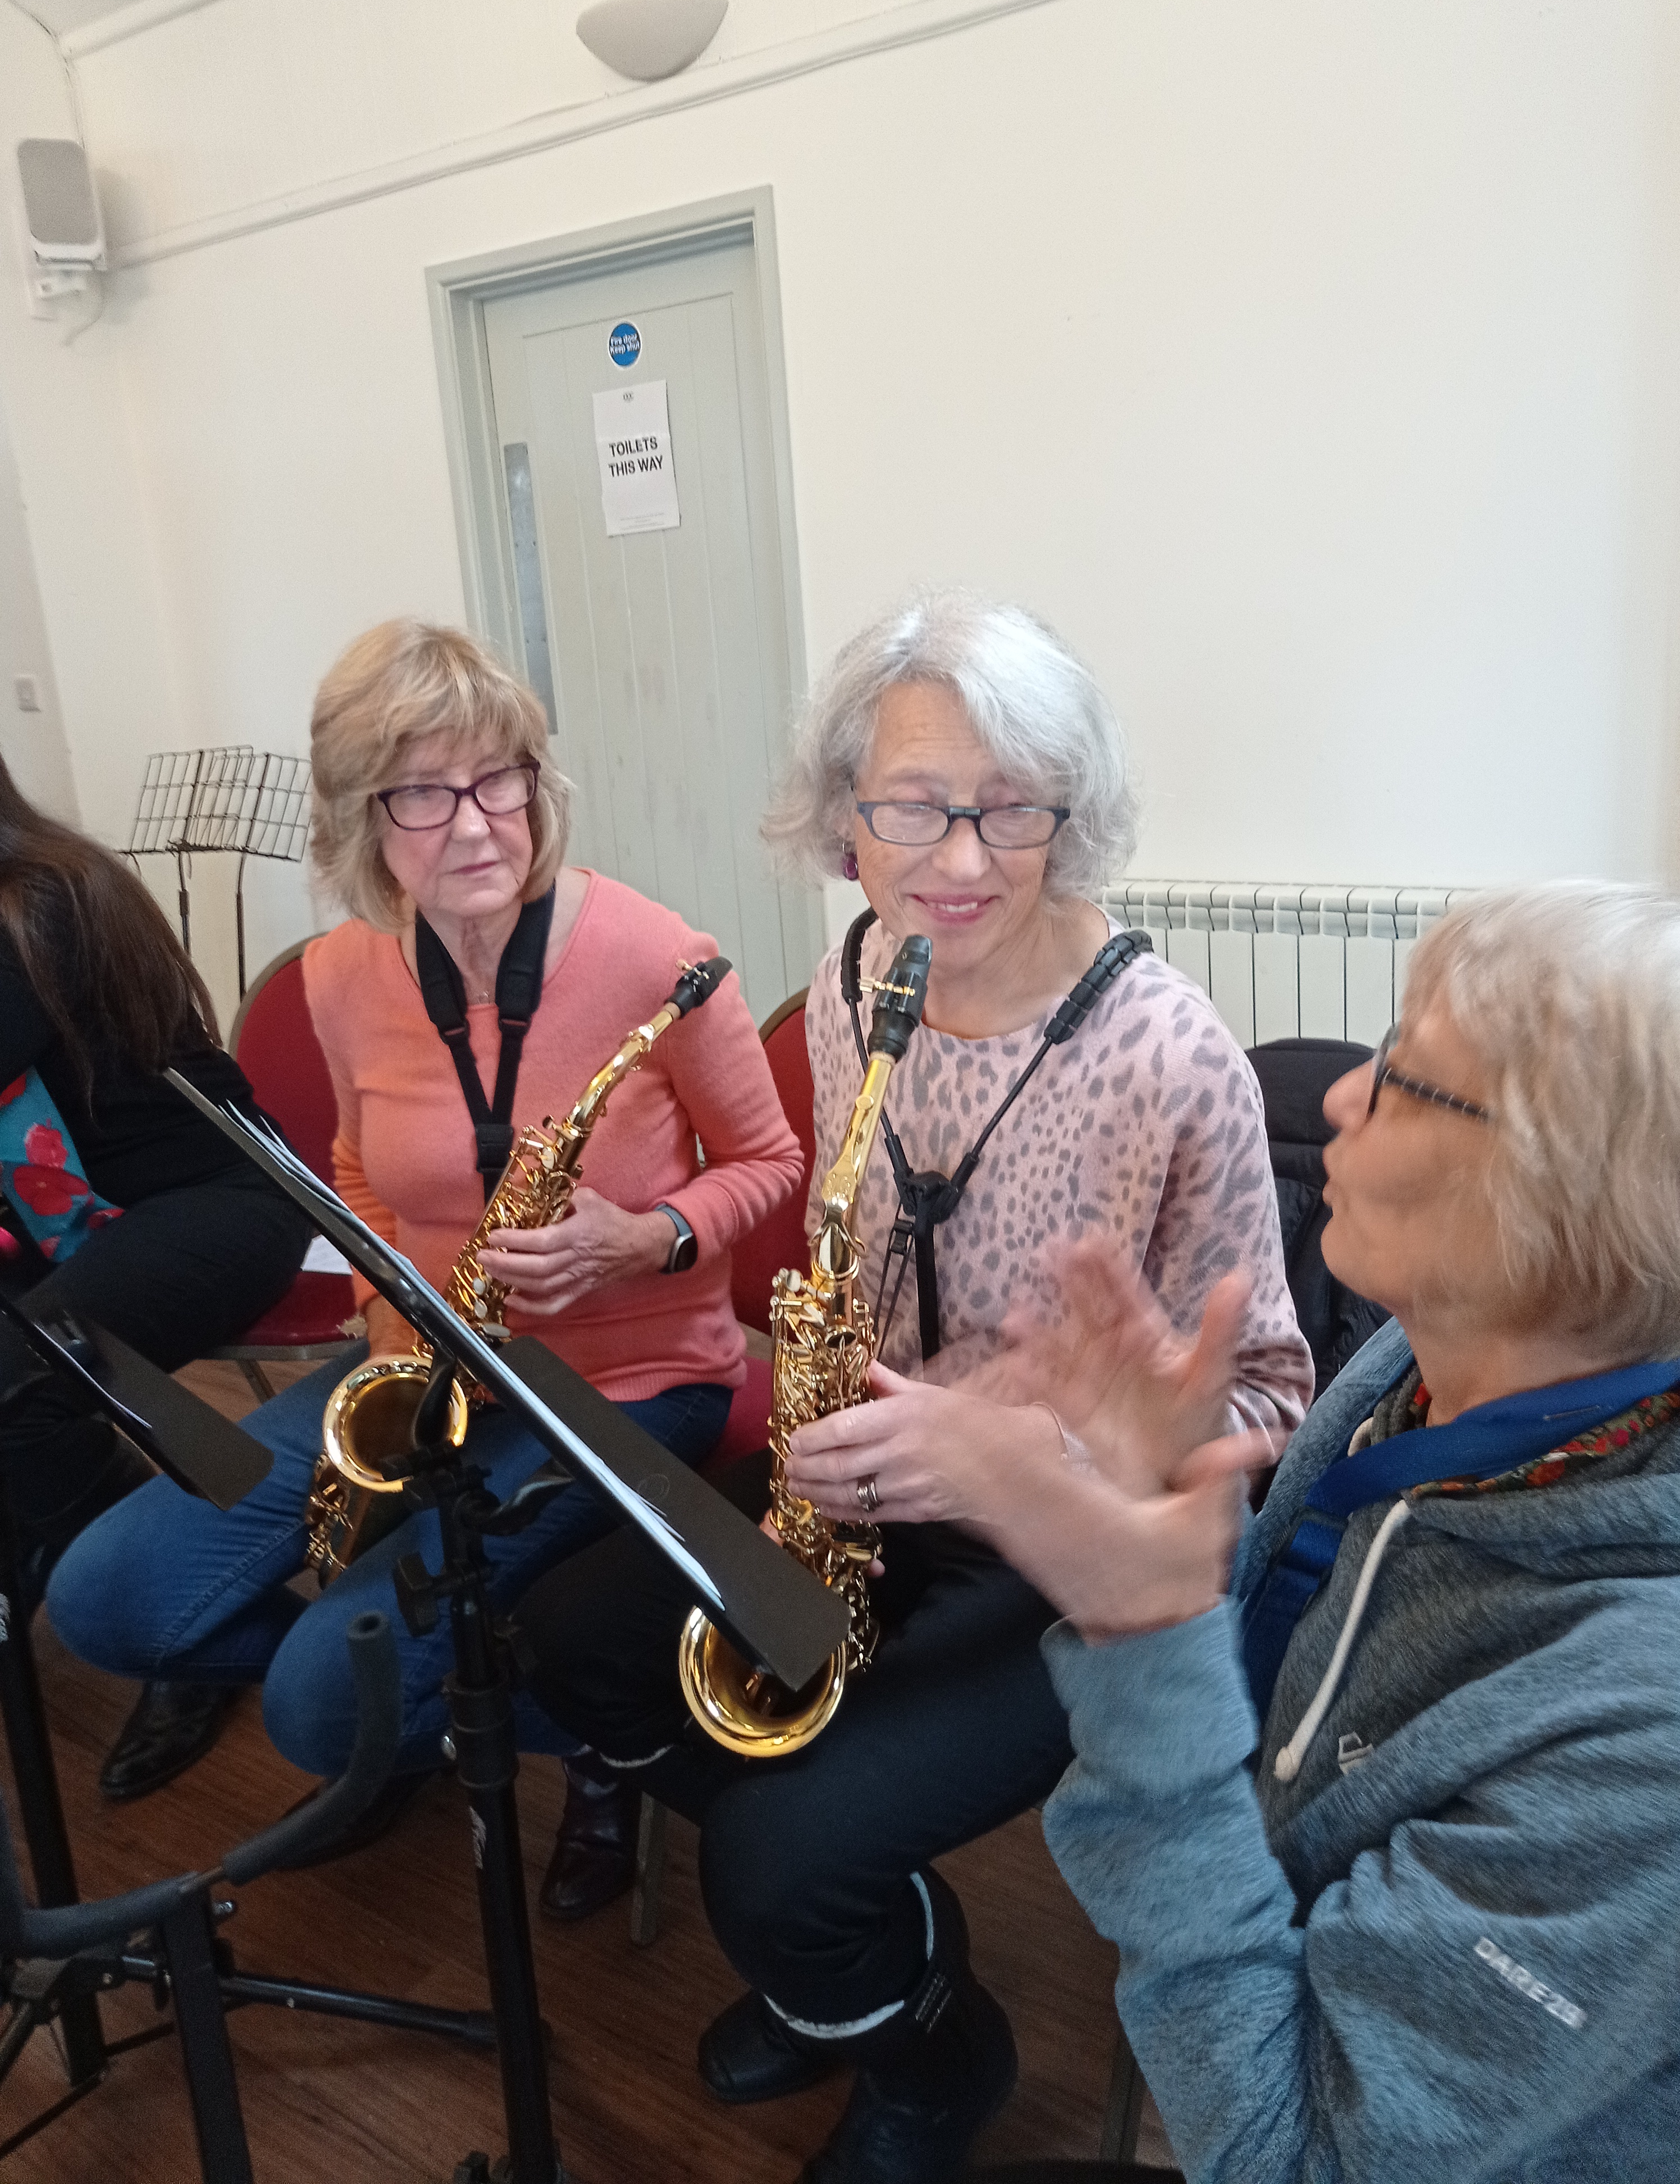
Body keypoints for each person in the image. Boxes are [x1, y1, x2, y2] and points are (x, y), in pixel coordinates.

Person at [515, 591, 1313, 2183]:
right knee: (570, 1648)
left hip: (1070, 1552)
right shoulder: (870, 969)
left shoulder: (1171, 1055)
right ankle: (862, 1963)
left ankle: (924, 2045)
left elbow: (1275, 1410)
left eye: (1010, 807)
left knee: (780, 1849)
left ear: (1068, 816)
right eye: (911, 808)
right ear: (842, 819)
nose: (958, 861)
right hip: (869, 1488)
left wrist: (1007, 1444)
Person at [790, 881, 1680, 2183]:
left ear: (1548, 1198)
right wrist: (1162, 1518)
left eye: (1399, 1078)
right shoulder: (1399, 1374)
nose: (1331, 1099)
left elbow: (1288, 2151)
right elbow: (1272, 1765)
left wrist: (1143, 1627)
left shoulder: (1637, 1737)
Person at [48, 622, 803, 1895]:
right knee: (109, 1598)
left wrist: (649, 1234)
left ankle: (594, 1731)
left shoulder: (657, 955)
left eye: (498, 776)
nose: (472, 823)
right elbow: (352, 1170)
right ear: (357, 818)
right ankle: (462, 1690)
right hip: (429, 1364)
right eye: (420, 790)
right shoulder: (342, 976)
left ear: (536, 783)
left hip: (625, 1384)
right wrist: (389, 1326)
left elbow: (773, 1162)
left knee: (314, 1706)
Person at [0, 751, 311, 1802]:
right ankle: (63, 1555)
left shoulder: (44, 897)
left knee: (24, 1377)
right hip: (84, 1224)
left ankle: (206, 1626)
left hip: (225, 1202)